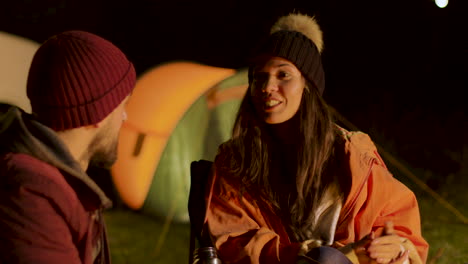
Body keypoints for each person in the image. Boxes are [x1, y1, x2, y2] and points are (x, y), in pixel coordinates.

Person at [203, 13, 429, 264]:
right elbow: (235, 239)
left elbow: (396, 222)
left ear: (308, 85)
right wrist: (305, 256)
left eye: (283, 75)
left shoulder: (350, 153)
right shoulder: (236, 161)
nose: (267, 86)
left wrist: (390, 248)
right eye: (259, 77)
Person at [0, 30, 136, 263]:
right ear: (98, 113)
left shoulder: (61, 183)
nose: (124, 116)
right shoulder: (30, 195)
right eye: (122, 105)